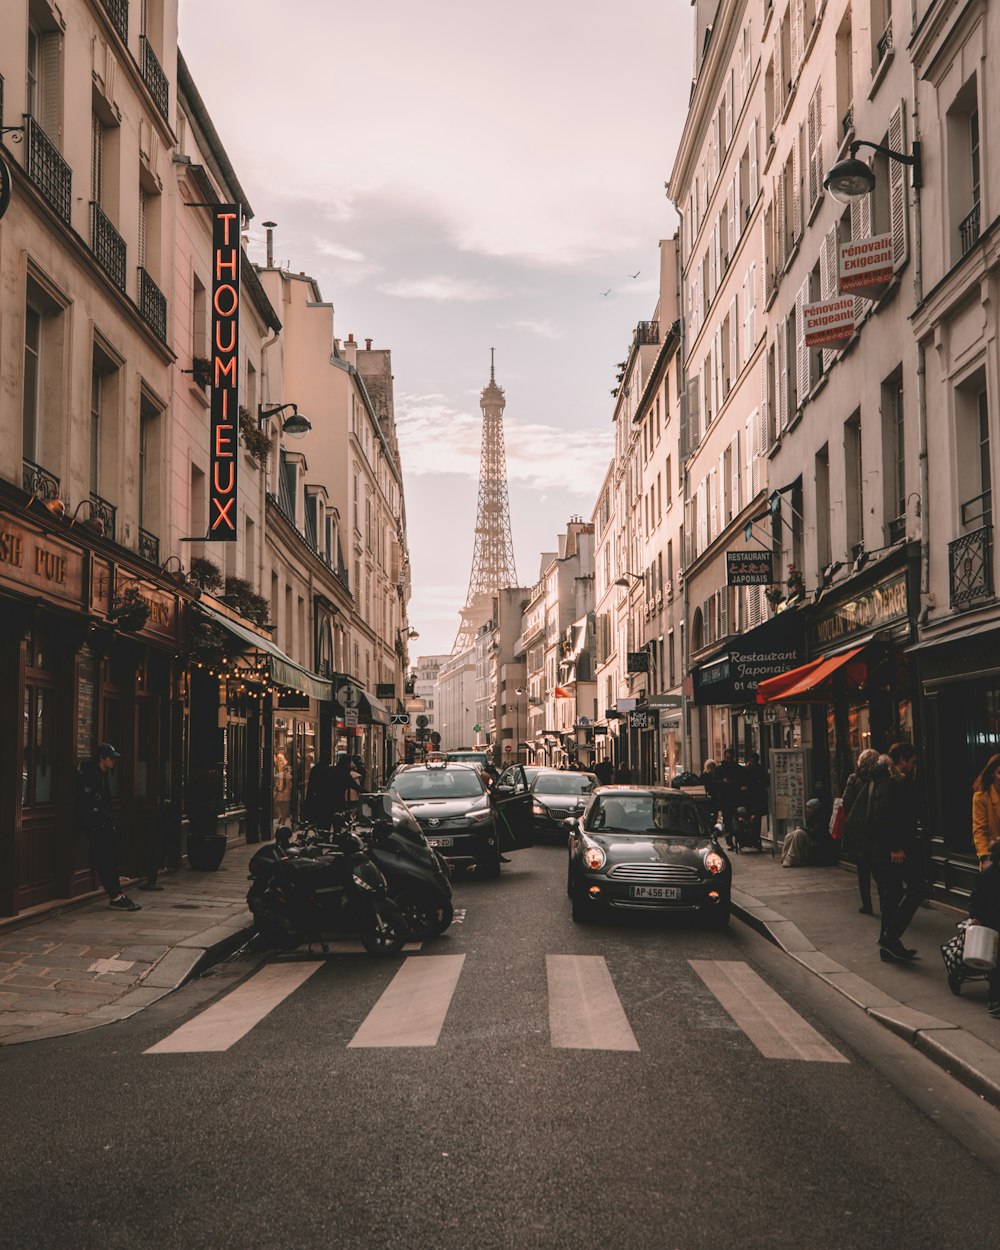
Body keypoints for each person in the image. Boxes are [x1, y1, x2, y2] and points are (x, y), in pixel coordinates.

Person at [869, 742, 924, 962]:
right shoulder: (888, 781)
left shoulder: (892, 779)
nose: (914, 766)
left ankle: (889, 945)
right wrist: (895, 847)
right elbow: (882, 817)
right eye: (912, 762)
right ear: (901, 760)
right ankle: (890, 937)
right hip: (893, 850)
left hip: (895, 847)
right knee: (916, 889)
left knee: (893, 895)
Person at [77, 743, 141, 911]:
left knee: (111, 861)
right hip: (98, 827)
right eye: (111, 758)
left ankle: (118, 894)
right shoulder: (92, 776)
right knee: (105, 862)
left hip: (104, 825)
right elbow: (88, 804)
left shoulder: (102, 775)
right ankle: (115, 896)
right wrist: (95, 826)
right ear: (101, 758)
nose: (114, 761)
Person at [840, 748, 881, 914]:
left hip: (859, 829)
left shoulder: (854, 778)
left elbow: (845, 801)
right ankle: (885, 902)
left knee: (863, 871)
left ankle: (867, 905)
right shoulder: (880, 778)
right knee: (879, 871)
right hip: (875, 829)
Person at [967, 837, 1000, 1018]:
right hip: (993, 925)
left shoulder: (985, 876)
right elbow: (976, 901)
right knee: (997, 965)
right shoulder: (986, 876)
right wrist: (976, 917)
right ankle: (995, 999)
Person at [304, 755, 357, 828]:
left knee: (325, 825)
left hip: (325, 802)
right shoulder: (344, 774)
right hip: (337, 803)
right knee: (338, 825)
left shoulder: (328, 770)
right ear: (347, 763)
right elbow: (356, 786)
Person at [780, 798, 831, 866]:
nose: (807, 810)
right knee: (790, 835)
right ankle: (785, 857)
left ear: (815, 808)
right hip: (812, 838)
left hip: (818, 842)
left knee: (799, 833)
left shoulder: (822, 818)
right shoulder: (811, 817)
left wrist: (803, 829)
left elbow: (817, 833)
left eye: (809, 808)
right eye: (807, 808)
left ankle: (792, 859)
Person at [972, 754, 1000, 870]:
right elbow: (980, 830)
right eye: (999, 773)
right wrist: (984, 859)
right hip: (994, 859)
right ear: (992, 773)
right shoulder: (982, 797)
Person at [714, 748, 743, 846]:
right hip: (725, 798)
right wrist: (722, 782)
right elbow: (714, 782)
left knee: (736, 819)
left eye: (730, 758)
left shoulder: (738, 769)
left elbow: (742, 781)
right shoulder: (719, 769)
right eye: (727, 758)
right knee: (727, 820)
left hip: (735, 798)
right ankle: (729, 840)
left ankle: (737, 838)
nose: (728, 760)